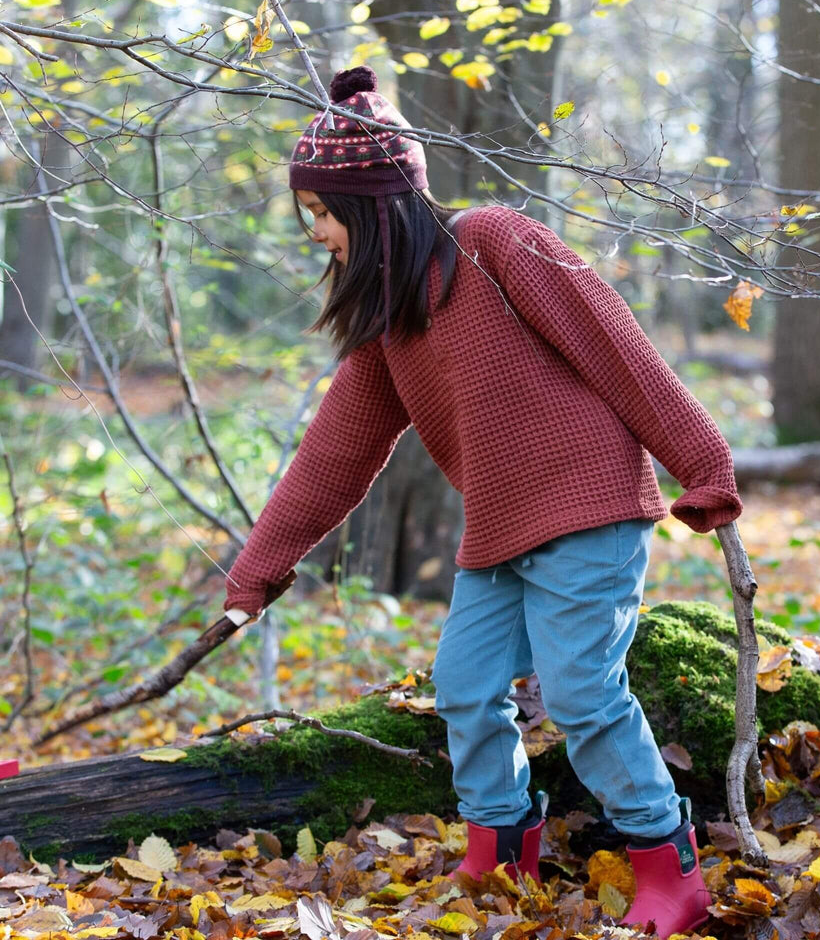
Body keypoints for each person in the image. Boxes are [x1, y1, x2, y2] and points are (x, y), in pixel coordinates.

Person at [223, 65, 743, 937]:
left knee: (581, 690)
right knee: (464, 685)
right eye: (306, 215)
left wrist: (703, 462)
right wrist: (257, 571)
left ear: (377, 202)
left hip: (589, 507)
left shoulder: (494, 240)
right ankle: (502, 851)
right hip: (499, 530)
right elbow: (332, 460)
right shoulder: (388, 326)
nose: (316, 234)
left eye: (322, 213)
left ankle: (668, 864)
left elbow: (616, 343)